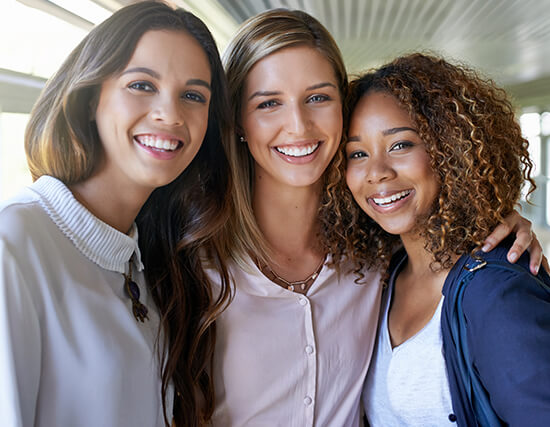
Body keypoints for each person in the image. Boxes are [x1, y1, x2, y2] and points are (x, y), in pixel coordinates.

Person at [210, 9, 543, 426]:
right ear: (236, 118)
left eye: (317, 98)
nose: (298, 124)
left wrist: (501, 227)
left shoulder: (383, 258)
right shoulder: (195, 257)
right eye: (269, 102)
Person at [0, 2, 232, 426]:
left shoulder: (147, 259)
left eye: (193, 95)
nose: (171, 114)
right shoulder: (15, 243)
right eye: (142, 85)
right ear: (91, 98)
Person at [342, 53, 550, 426]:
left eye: (401, 145)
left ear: (451, 149)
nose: (376, 172)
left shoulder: (496, 293)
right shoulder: (381, 273)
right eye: (357, 153)